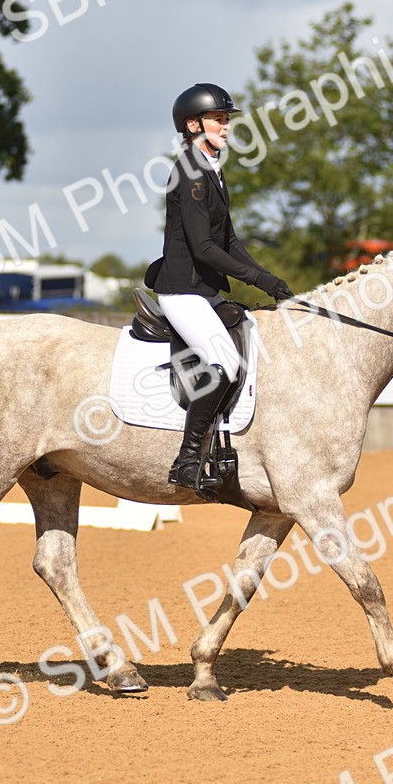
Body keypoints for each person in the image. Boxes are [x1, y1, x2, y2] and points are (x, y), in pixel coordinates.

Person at [149, 82, 294, 491]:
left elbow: (229, 241)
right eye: (219, 119)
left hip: (204, 291)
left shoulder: (212, 169)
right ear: (193, 124)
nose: (226, 126)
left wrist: (270, 280)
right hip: (182, 290)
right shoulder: (191, 171)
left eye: (227, 119)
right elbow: (205, 247)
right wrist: (257, 278)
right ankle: (188, 460)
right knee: (225, 362)